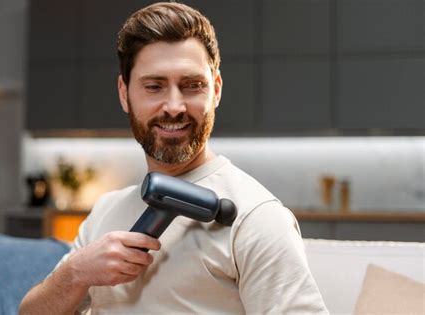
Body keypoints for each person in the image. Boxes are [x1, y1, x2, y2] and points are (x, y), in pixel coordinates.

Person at [20, 2, 328, 314]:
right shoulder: (104, 212)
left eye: (192, 86)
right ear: (124, 94)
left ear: (216, 90)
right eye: (154, 86)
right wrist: (76, 273)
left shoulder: (256, 217)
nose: (174, 106)